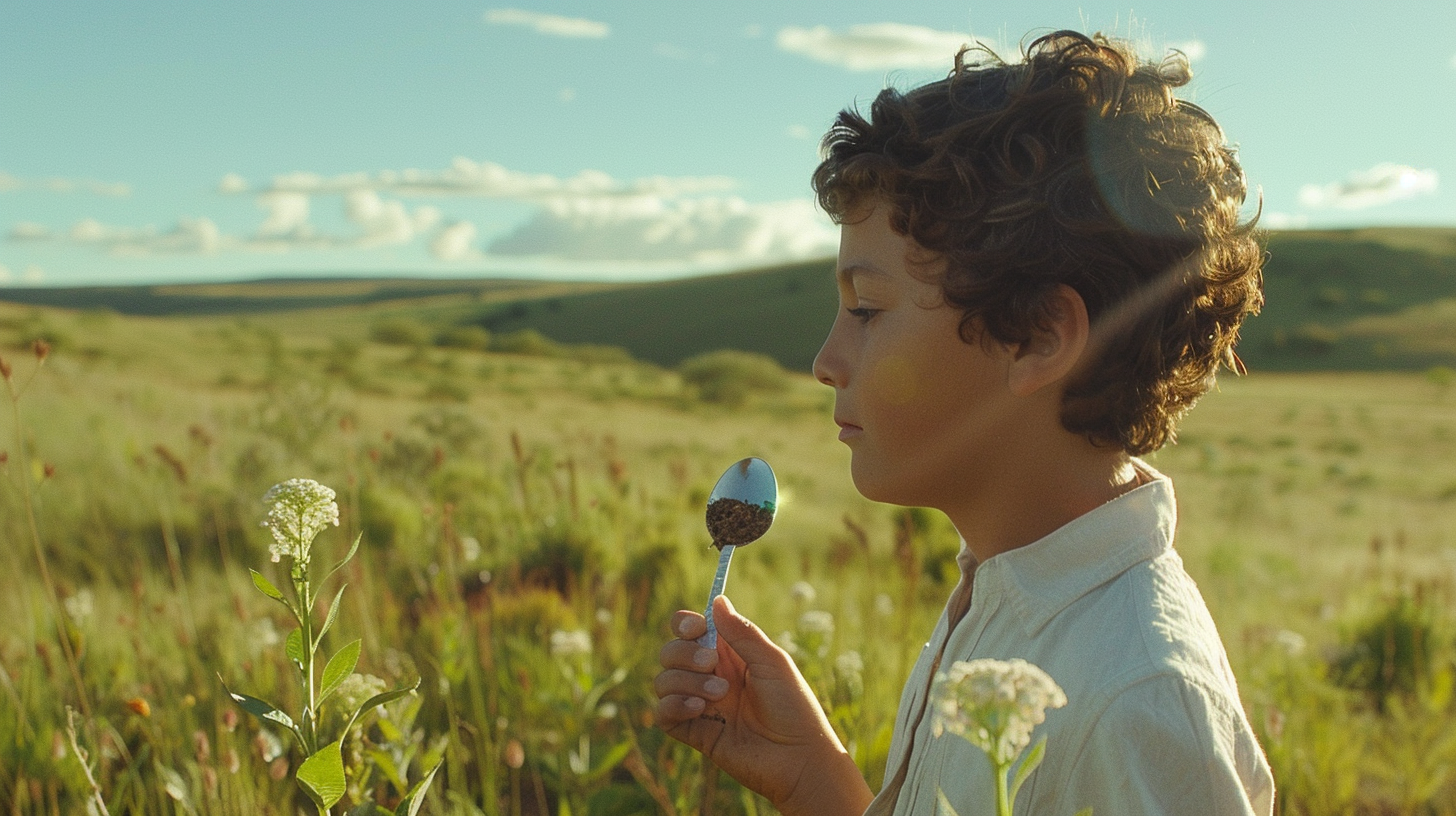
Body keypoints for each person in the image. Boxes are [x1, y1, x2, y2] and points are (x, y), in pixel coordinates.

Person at [654, 30, 1274, 816]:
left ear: (1038, 336)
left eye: (867, 310)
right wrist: (812, 775)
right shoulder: (1007, 589)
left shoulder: (1135, 705)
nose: (825, 359)